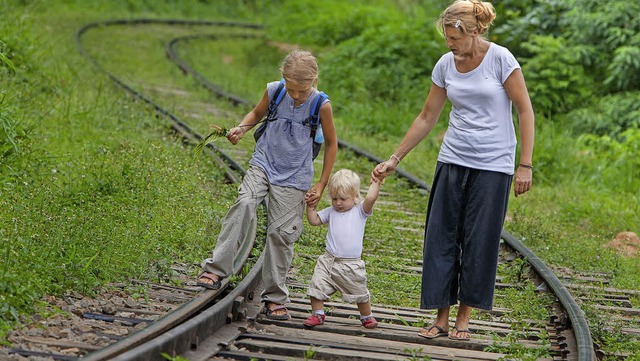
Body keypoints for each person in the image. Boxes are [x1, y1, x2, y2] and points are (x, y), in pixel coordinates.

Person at [371, 0, 534, 341]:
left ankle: (464, 317)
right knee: (441, 237)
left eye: (454, 37)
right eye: (446, 37)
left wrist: (525, 165)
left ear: (473, 31)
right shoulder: (445, 64)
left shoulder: (501, 60)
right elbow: (427, 116)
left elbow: (524, 111)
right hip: (453, 159)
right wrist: (394, 158)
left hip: (493, 165)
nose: (449, 43)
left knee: (479, 240)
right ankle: (440, 317)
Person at [197, 50, 337, 321]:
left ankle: (274, 296)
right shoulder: (274, 91)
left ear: (314, 80)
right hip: (263, 163)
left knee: (281, 234)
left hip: (295, 176)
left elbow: (331, 144)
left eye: (301, 90)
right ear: (282, 78)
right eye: (291, 88)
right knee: (244, 203)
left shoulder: (321, 104)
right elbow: (256, 113)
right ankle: (216, 268)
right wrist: (241, 128)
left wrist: (321, 184)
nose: (295, 95)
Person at [303, 169, 381, 329]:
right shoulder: (331, 212)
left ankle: (366, 316)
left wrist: (377, 181)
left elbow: (371, 197)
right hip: (329, 261)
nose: (338, 203)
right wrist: (310, 207)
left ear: (355, 197)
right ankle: (318, 314)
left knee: (359, 291)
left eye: (343, 199)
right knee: (316, 286)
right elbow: (314, 220)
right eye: (334, 199)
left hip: (351, 265)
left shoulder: (360, 211)